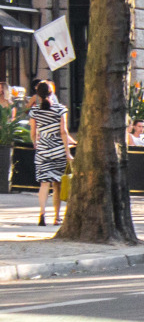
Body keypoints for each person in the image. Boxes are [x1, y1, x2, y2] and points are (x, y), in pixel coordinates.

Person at [28, 80, 74, 226]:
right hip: (58, 150)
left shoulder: (35, 111)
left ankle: (42, 214)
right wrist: (67, 152)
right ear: (52, 92)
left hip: (43, 149)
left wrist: (36, 143)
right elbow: (63, 132)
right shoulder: (61, 109)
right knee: (57, 184)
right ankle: (57, 216)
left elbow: (33, 132)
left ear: (38, 95)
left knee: (44, 184)